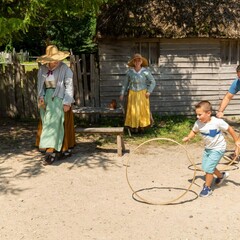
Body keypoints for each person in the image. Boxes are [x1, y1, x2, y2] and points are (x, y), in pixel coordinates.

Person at [182, 101, 240, 197]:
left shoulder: (217, 122)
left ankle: (207, 188)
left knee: (209, 168)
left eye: (200, 114)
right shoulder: (198, 123)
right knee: (206, 167)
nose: (197, 117)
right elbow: (194, 131)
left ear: (208, 113)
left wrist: (236, 141)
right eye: (197, 114)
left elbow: (229, 129)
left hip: (218, 148)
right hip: (208, 148)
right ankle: (221, 176)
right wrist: (189, 137)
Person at [36, 45, 75, 165]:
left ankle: (50, 151)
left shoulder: (65, 69)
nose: (56, 61)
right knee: (47, 122)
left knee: (54, 123)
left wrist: (67, 102)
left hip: (59, 98)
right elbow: (40, 85)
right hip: (47, 99)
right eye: (53, 59)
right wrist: (41, 97)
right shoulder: (42, 69)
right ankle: (57, 148)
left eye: (57, 58)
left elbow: (69, 86)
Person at [119, 53, 156, 133]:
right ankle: (134, 128)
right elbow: (125, 84)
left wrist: (149, 91)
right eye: (135, 61)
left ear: (141, 62)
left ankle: (141, 127)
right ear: (133, 62)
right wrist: (122, 93)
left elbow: (153, 82)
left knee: (142, 110)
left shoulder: (145, 72)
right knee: (133, 110)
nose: (137, 62)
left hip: (143, 93)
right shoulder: (130, 72)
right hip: (132, 93)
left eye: (139, 60)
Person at [217, 64, 240, 161]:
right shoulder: (237, 82)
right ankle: (236, 155)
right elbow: (228, 97)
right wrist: (220, 111)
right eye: (239, 76)